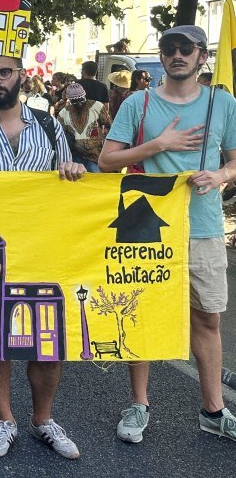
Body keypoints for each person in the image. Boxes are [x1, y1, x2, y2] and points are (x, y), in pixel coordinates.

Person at [99, 25, 236, 443]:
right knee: (141, 314)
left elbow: (235, 161)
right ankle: (139, 405)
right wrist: (159, 144)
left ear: (201, 57)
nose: (177, 55)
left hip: (203, 226)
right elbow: (107, 161)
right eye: (169, 48)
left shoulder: (222, 103)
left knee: (207, 317)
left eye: (186, 49)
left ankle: (213, 410)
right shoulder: (137, 104)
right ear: (160, 57)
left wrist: (222, 175)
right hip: (146, 229)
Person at [0, 54, 84, 460]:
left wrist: (74, 170)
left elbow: (67, 174)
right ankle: (5, 418)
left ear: (20, 76)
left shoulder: (47, 124)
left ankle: (43, 419)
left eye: (3, 72)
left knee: (49, 337)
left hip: (42, 244)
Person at [57, 82, 111, 173]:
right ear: (69, 100)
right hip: (75, 158)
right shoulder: (63, 113)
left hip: (96, 157)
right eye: (75, 102)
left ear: (85, 96)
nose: (79, 104)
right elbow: (60, 136)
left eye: (81, 100)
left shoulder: (97, 106)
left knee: (96, 181)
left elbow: (108, 125)